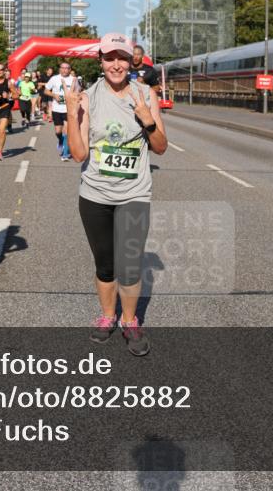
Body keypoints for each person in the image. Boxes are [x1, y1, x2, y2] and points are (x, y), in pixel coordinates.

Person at [65, 32, 167, 356]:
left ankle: (130, 320)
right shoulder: (87, 98)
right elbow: (79, 155)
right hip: (94, 194)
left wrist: (149, 122)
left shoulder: (145, 94)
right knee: (106, 264)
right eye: (110, 57)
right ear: (101, 61)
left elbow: (161, 147)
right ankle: (108, 316)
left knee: (131, 264)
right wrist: (71, 114)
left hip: (134, 193)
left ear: (130, 60)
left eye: (122, 57)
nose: (116, 64)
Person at [45, 62, 77, 161]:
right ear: (60, 69)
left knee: (66, 131)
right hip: (57, 109)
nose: (64, 70)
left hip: (68, 109)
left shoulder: (73, 80)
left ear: (70, 69)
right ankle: (60, 141)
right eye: (62, 68)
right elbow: (46, 91)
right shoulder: (54, 78)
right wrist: (54, 95)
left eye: (67, 68)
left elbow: (78, 92)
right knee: (58, 131)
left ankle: (65, 153)